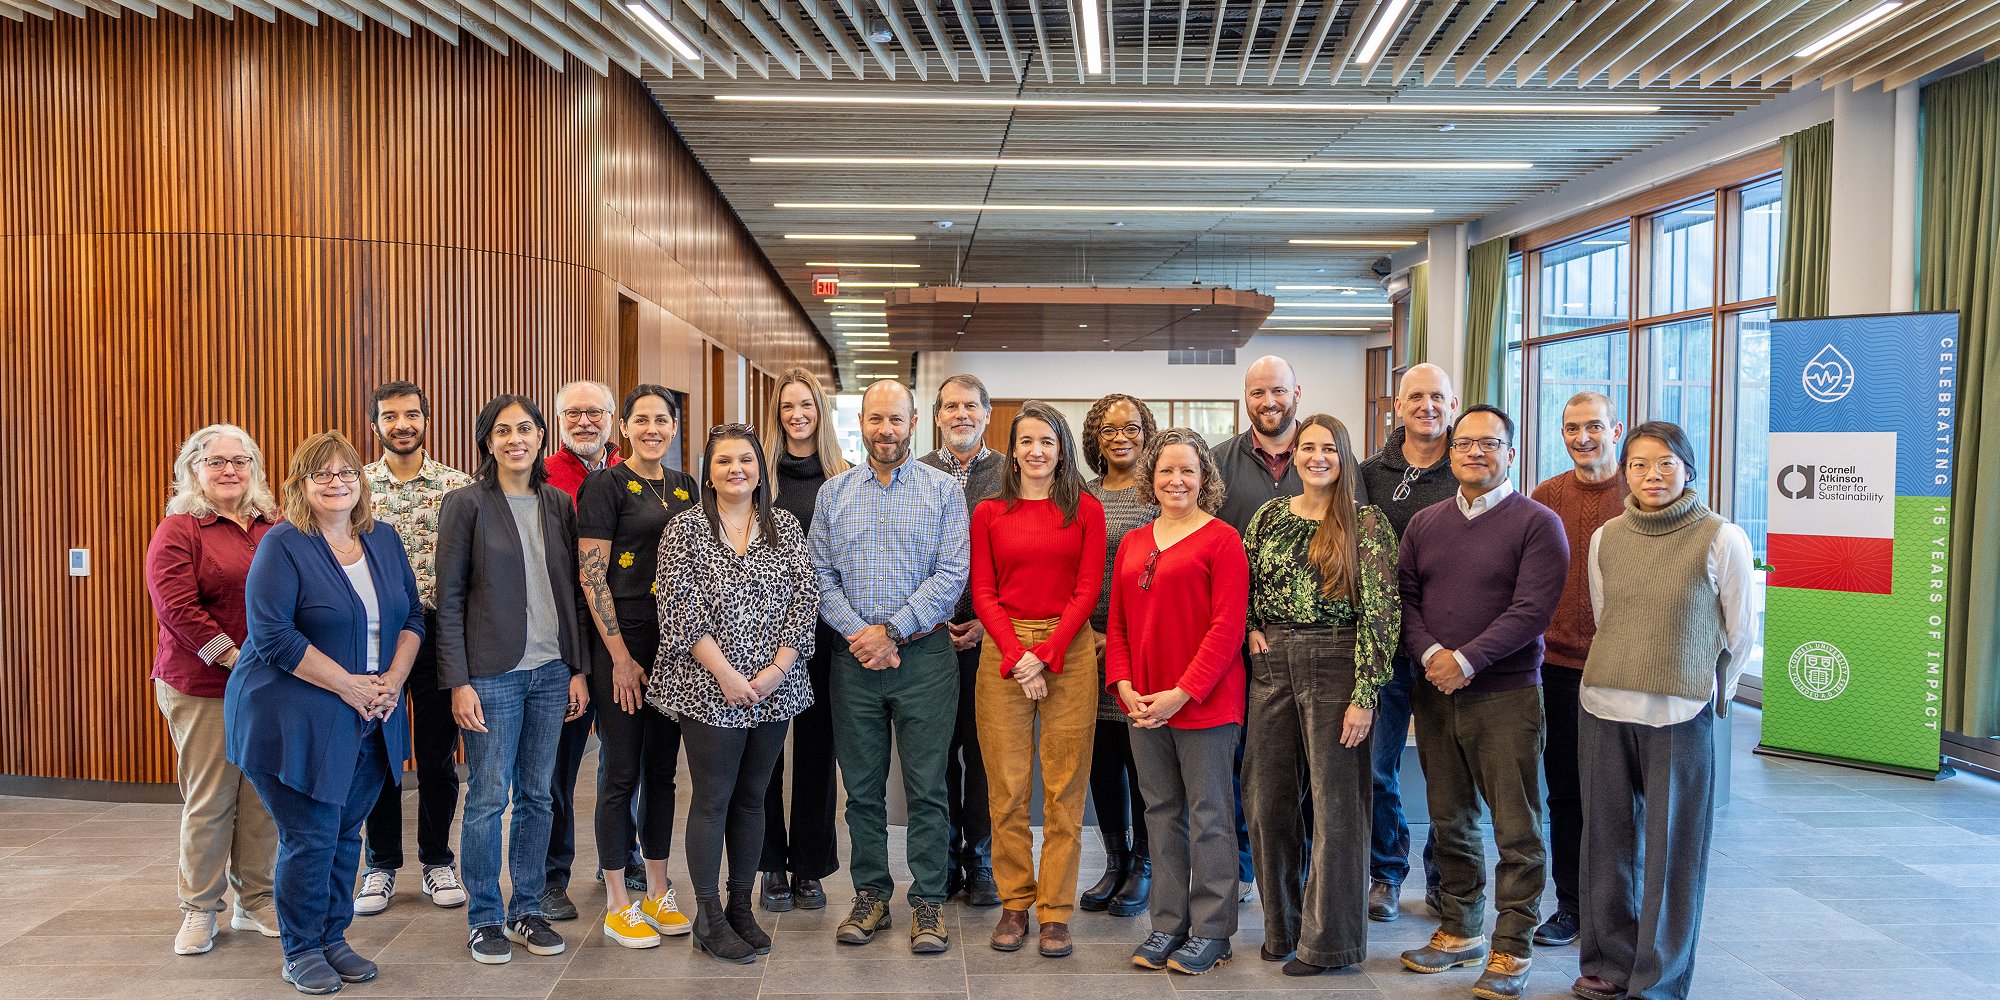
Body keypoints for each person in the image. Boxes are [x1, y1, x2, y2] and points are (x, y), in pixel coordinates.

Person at [226, 431, 424, 994]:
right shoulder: (283, 544)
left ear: (360, 481)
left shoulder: (382, 539)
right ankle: (302, 949)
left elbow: (412, 617)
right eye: (322, 474)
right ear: (301, 486)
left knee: (344, 834)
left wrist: (390, 683)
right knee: (311, 835)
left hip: (370, 714)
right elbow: (273, 638)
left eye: (346, 472)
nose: (336, 482)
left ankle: (333, 937)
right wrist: (352, 687)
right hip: (291, 716)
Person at [1572, 422, 1753, 1000]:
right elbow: (1608, 616)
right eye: (1639, 464)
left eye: (1666, 463)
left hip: (1680, 711)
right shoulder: (1607, 536)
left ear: (1689, 469)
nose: (1652, 475)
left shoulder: (1722, 538)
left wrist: (1711, 690)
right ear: (1624, 471)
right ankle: (1608, 964)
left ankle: (1659, 978)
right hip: (1604, 704)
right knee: (1605, 844)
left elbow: (1740, 632)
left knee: (1674, 851)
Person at [1395, 404, 1568, 1000]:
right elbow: (1406, 601)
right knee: (1450, 820)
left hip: (1505, 696)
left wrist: (1465, 660)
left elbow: (1532, 611)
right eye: (1465, 442)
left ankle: (1511, 946)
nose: (1475, 452)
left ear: (1511, 453)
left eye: (1489, 443)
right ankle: (1461, 927)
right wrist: (1431, 658)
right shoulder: (1425, 523)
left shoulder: (1537, 524)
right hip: (1435, 692)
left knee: (1517, 827)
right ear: (1450, 452)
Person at [810, 379, 970, 955]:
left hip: (924, 658)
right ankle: (871, 895)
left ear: (914, 421)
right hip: (853, 661)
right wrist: (861, 635)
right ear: (862, 421)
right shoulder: (834, 494)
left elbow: (952, 575)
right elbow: (819, 575)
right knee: (861, 790)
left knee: (927, 787)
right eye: (875, 420)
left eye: (896, 420)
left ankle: (928, 901)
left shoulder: (945, 491)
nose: (885, 431)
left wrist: (892, 631)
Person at [652, 424, 819, 963]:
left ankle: (740, 906)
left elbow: (803, 601)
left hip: (776, 683)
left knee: (753, 798)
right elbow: (678, 607)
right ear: (708, 472)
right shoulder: (685, 529)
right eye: (723, 461)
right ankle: (708, 914)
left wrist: (776, 670)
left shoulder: (786, 527)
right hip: (707, 685)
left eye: (745, 460)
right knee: (713, 798)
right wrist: (726, 673)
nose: (736, 469)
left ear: (759, 469)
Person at [436, 395, 591, 965]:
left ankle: (526, 907)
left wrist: (577, 669)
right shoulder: (466, 505)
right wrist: (459, 680)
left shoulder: (556, 504)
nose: (515, 439)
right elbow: (448, 599)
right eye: (503, 431)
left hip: (551, 673)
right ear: (487, 441)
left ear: (540, 436)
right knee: (486, 799)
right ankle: (483, 917)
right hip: (492, 676)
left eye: (525, 429)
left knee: (537, 797)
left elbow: (572, 592)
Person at [1242, 414, 1400, 976]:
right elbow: (1243, 585)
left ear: (1344, 457)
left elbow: (1382, 614)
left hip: (1338, 662)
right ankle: (1281, 927)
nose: (1317, 457)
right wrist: (1250, 626)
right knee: (1266, 800)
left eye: (1328, 448)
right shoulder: (1267, 518)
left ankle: (1329, 943)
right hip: (1272, 664)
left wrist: (1365, 694)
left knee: (1337, 809)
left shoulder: (1368, 523)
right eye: (1308, 447)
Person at [1105, 428, 1250, 977]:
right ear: (1152, 478)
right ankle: (1168, 923)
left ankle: (1212, 931)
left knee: (1210, 815)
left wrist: (1181, 694)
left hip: (1204, 703)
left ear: (1205, 478)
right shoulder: (1136, 541)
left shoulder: (1222, 540)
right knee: (1160, 813)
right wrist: (1123, 687)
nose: (1176, 480)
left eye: (1188, 470)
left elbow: (1226, 628)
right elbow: (1117, 624)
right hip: (1142, 703)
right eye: (1166, 470)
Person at [969, 402, 1106, 958]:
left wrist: (1045, 654)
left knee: (1063, 790)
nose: (1035, 451)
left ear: (1062, 448)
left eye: (1046, 441)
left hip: (1069, 652)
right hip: (1003, 652)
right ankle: (1015, 902)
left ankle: (1055, 911)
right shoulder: (988, 513)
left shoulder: (1086, 510)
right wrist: (1016, 654)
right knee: (1005, 789)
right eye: (1025, 441)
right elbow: (983, 592)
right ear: (1013, 449)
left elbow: (1088, 589)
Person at [146, 424, 282, 957]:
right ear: (193, 470)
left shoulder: (274, 526)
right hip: (203, 684)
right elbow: (178, 609)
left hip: (269, 684)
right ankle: (200, 908)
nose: (230, 470)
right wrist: (235, 657)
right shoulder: (180, 529)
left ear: (254, 468)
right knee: (211, 799)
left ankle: (258, 900)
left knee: (261, 799)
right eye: (216, 460)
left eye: (240, 460)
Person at [577, 385, 698, 947]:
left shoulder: (685, 486)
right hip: (623, 641)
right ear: (623, 426)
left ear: (675, 428)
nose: (653, 428)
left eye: (663, 420)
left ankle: (656, 889)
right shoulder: (604, 485)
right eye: (642, 419)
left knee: (664, 773)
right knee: (620, 772)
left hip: (675, 643)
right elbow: (591, 576)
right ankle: (617, 900)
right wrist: (620, 657)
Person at [354, 382, 473, 917]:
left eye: (411, 414)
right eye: (390, 416)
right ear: (374, 423)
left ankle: (436, 860)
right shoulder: (356, 486)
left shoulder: (457, 488)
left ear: (427, 418)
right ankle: (379, 866)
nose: (402, 424)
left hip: (439, 634)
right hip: (374, 640)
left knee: (437, 757)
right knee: (378, 757)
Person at [1357, 362, 1461, 923]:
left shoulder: (1469, 467)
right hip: (1383, 646)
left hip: (1448, 646)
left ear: (1452, 403)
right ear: (1397, 405)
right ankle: (1387, 872)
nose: (1426, 405)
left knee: (1448, 768)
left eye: (1437, 397)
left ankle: (1446, 877)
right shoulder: (1371, 473)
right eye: (1415, 396)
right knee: (1379, 766)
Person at [1526, 391, 1628, 949]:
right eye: (1571, 428)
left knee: (1621, 795)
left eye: (1593, 426)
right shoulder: (1546, 496)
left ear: (1615, 431)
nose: (1581, 437)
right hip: (1559, 670)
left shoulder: (1641, 494)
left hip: (1626, 669)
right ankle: (1570, 907)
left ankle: (1617, 907)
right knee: (1565, 794)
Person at [1210, 355, 1310, 898]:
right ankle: (1247, 866)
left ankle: (1304, 866)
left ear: (1297, 391)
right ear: (1244, 398)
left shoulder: (1325, 457)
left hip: (1313, 638)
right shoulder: (1221, 464)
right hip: (1236, 638)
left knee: (1310, 760)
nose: (1268, 402)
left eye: (1277, 391)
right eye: (1257, 393)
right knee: (1238, 757)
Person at [541, 379, 642, 916]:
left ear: (612, 420)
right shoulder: (542, 475)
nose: (584, 422)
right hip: (564, 645)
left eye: (595, 412)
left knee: (624, 762)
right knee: (557, 769)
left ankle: (623, 858)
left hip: (625, 644)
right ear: (558, 421)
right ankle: (552, 876)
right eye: (573, 413)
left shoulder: (635, 475)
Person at [758, 368, 852, 913]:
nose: (798, 415)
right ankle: (770, 864)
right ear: (778, 414)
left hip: (826, 630)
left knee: (818, 752)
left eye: (807, 406)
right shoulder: (759, 476)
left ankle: (810, 868)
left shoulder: (843, 477)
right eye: (789, 406)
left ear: (820, 412)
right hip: (764, 635)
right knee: (767, 752)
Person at [917, 373, 1003, 907]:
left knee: (987, 753)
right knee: (936, 756)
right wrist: (927, 620)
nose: (961, 415)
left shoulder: (1010, 474)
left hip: (992, 637)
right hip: (928, 637)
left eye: (970, 405)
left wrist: (990, 623)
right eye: (951, 406)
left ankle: (983, 860)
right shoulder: (916, 471)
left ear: (987, 413)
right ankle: (943, 859)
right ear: (938, 415)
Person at [1078, 394, 1158, 918]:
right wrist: (1086, 632)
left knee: (1143, 761)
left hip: (1148, 647)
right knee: (1102, 761)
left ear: (1146, 431)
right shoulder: (1080, 495)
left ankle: (1145, 866)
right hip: (1088, 644)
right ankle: (1115, 858)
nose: (1120, 436)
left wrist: (1126, 639)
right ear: (1094, 438)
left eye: (1130, 427)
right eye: (1108, 430)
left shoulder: (1163, 491)